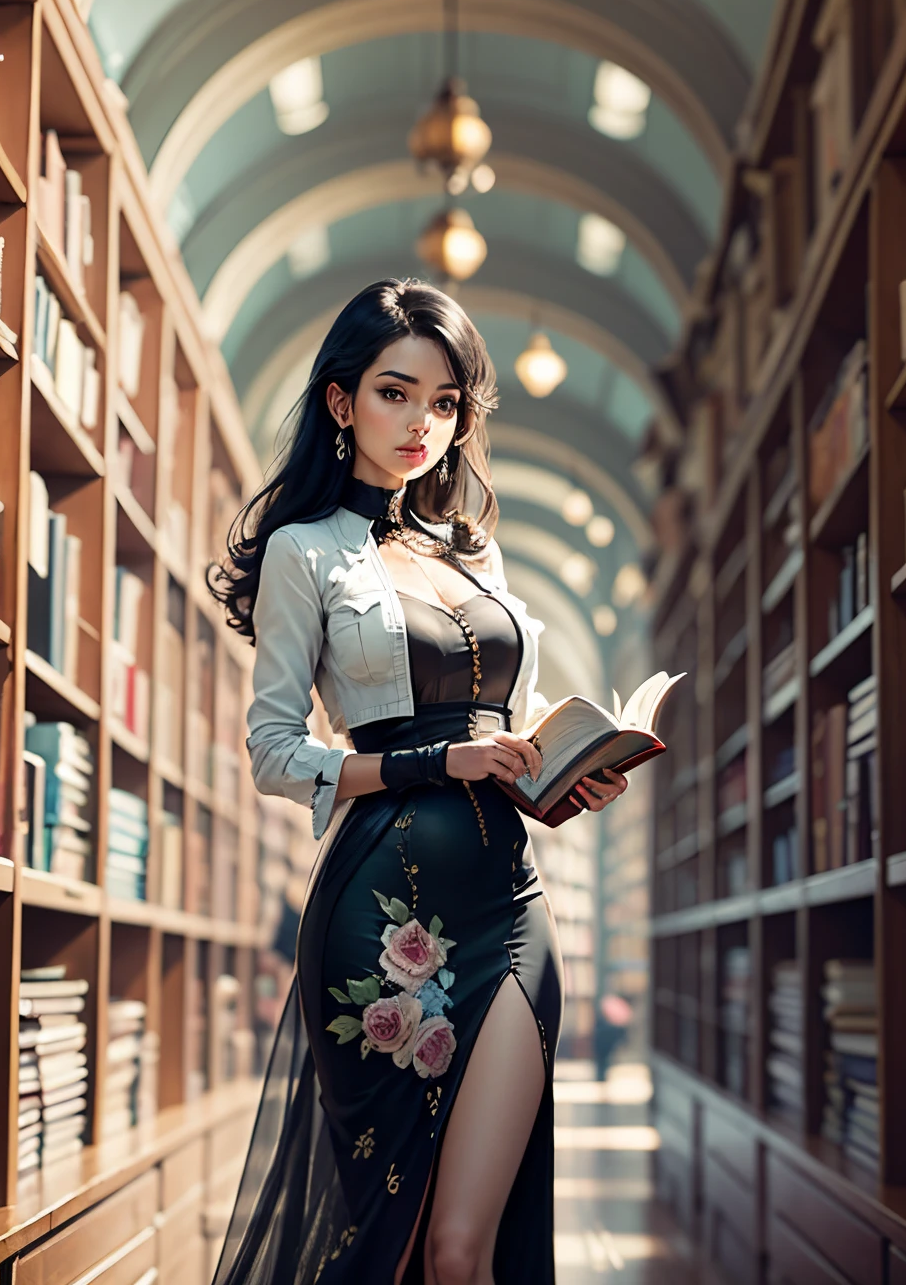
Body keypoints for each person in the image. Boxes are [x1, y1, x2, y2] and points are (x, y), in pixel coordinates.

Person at [209, 279, 627, 1285]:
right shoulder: (304, 553)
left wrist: (556, 775)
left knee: (466, 1244)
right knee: (398, 1243)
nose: (422, 423)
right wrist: (433, 761)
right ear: (341, 400)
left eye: (446, 403)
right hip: (380, 919)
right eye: (397, 392)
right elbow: (274, 749)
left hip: (512, 903)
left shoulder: (476, 553)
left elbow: (500, 729)